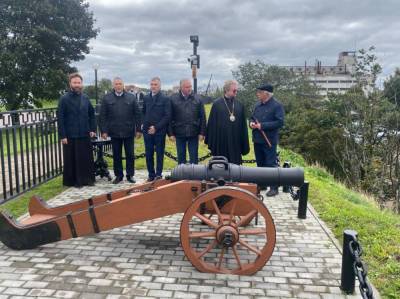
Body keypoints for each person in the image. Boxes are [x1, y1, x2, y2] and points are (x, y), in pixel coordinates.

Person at [100, 77, 142, 184]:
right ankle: (118, 175)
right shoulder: (107, 98)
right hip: (114, 132)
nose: (118, 86)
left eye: (120, 84)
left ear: (123, 85)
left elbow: (137, 114)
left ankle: (130, 175)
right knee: (116, 155)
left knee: (130, 155)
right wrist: (104, 131)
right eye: (116, 84)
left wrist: (138, 129)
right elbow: (103, 116)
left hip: (128, 131)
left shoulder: (131, 98)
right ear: (113, 85)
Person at [57, 73, 96, 187]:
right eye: (75, 83)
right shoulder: (64, 99)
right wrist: (62, 135)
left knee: (85, 158)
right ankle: (74, 181)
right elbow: (61, 118)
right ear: (70, 84)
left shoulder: (85, 98)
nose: (77, 85)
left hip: (84, 133)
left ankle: (87, 180)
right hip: (70, 135)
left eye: (79, 82)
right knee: (72, 159)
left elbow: (92, 114)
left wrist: (93, 128)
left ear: (81, 84)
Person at [250, 83, 284, 197]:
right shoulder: (257, 105)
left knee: (270, 164)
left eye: (259, 92)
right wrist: (251, 124)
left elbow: (280, 122)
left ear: (266, 93)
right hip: (257, 139)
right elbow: (252, 117)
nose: (257, 94)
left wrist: (262, 126)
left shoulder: (277, 105)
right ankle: (262, 184)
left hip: (269, 140)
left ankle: (274, 187)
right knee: (260, 163)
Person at [205, 80, 249, 164]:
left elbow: (243, 126)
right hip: (221, 141)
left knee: (235, 168)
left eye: (237, 90)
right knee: (220, 166)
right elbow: (212, 124)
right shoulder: (217, 104)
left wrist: (243, 142)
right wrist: (211, 141)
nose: (236, 92)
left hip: (235, 141)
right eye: (234, 90)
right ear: (227, 90)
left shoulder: (239, 105)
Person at [169, 79, 206, 164]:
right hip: (179, 132)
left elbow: (203, 117)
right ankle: (182, 175)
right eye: (187, 87)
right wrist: (170, 133)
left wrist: (202, 133)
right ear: (181, 87)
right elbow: (169, 117)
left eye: (190, 86)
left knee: (194, 157)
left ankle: (194, 175)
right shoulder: (173, 99)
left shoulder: (198, 99)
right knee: (181, 157)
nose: (189, 89)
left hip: (194, 132)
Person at [142, 77, 171, 181]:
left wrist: (156, 127)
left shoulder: (165, 99)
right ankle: (151, 175)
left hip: (159, 131)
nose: (153, 86)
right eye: (152, 84)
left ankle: (158, 174)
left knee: (159, 154)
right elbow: (144, 112)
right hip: (147, 131)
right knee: (149, 154)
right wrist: (145, 125)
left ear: (160, 86)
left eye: (155, 85)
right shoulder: (146, 98)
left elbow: (167, 116)